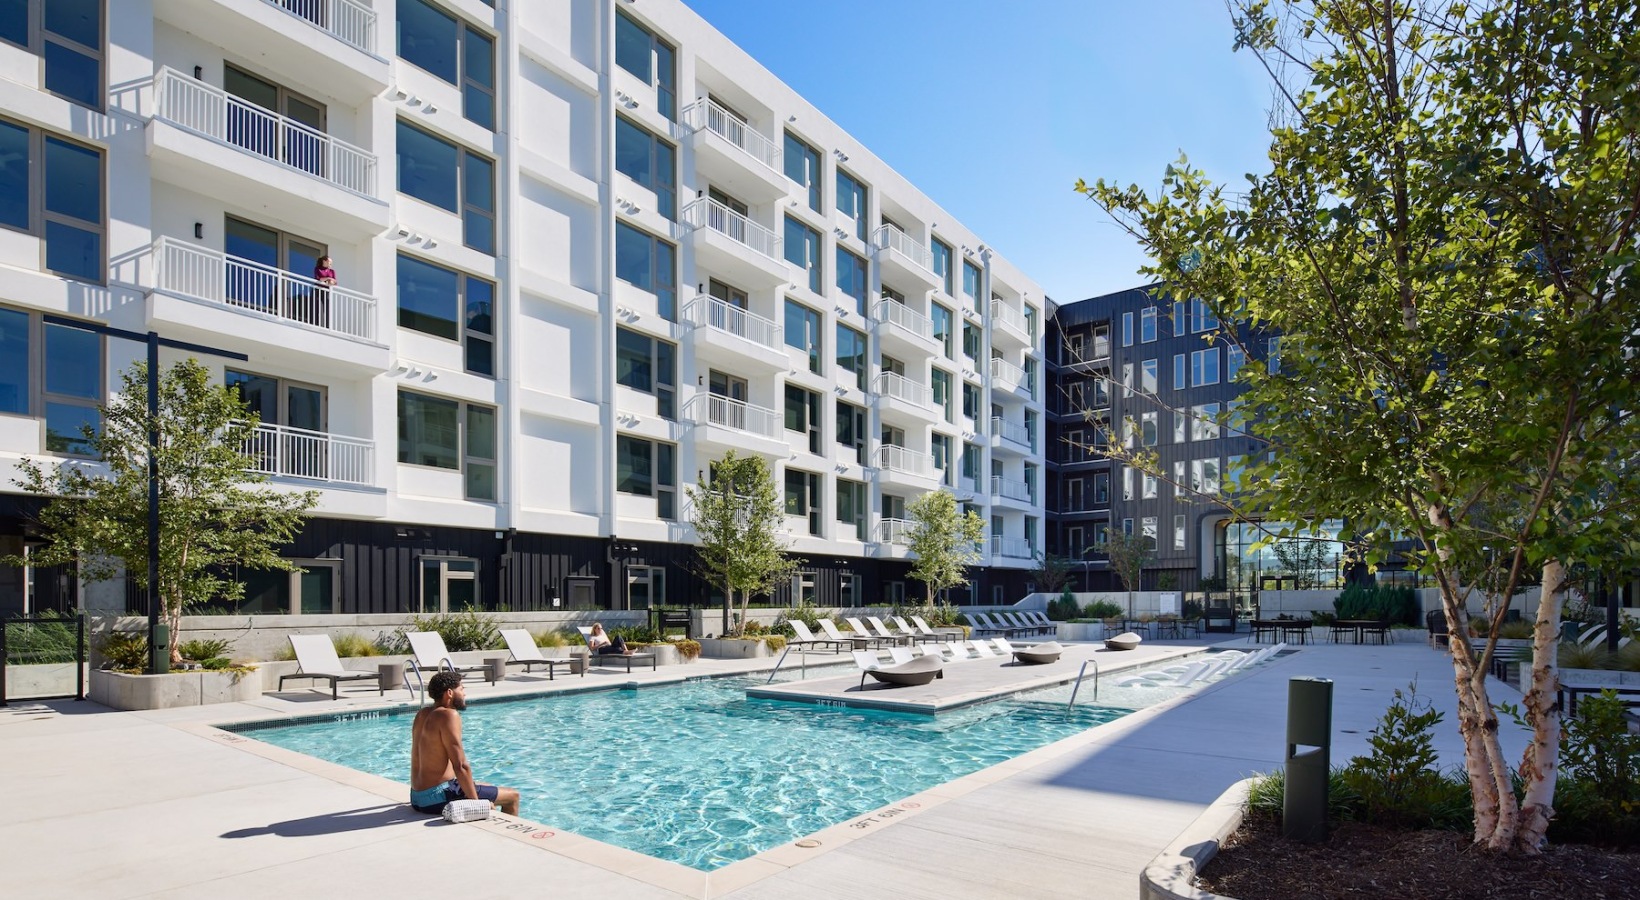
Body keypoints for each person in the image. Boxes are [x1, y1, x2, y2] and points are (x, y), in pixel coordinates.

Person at [409, 671, 519, 816]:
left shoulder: (422, 714)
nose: (464, 694)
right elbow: (460, 766)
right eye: (461, 689)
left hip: (417, 797)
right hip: (437, 798)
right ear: (449, 693)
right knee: (512, 796)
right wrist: (477, 804)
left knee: (488, 787)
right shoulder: (448, 715)